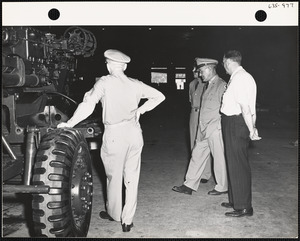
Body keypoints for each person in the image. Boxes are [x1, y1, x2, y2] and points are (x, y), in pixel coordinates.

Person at [57, 49, 165, 231]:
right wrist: (140, 110)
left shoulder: (104, 82)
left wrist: (70, 123)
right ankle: (127, 220)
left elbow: (88, 105)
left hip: (115, 135)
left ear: (108, 65)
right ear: (124, 66)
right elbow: (160, 96)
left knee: (113, 178)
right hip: (134, 133)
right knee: (132, 177)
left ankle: (114, 214)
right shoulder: (135, 84)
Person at [172, 58, 228, 195]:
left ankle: (222, 187)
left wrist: (218, 127)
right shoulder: (208, 85)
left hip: (214, 128)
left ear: (209, 69)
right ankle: (189, 185)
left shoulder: (221, 85)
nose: (200, 74)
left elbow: (227, 109)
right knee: (196, 155)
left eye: (202, 71)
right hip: (203, 128)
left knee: (219, 158)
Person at [220, 50, 261, 217]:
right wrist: (253, 125)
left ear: (229, 62)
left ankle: (244, 207)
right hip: (234, 122)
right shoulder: (239, 77)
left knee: (238, 164)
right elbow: (250, 108)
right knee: (233, 162)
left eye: (224, 64)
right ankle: (236, 199)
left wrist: (252, 130)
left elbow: (246, 107)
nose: (224, 67)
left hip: (236, 123)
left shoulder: (241, 78)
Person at [188, 60, 212, 183]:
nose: (193, 71)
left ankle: (205, 174)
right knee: (193, 144)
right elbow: (191, 100)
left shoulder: (208, 84)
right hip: (194, 114)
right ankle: (196, 173)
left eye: (195, 70)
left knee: (204, 144)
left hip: (204, 115)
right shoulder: (192, 84)